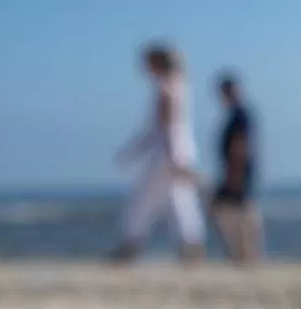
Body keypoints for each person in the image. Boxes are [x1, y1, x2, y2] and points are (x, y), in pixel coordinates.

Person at [111, 42, 206, 263]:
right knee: (179, 201)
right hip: (179, 151)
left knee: (144, 201)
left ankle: (130, 246)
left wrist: (134, 152)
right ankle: (191, 247)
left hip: (167, 154)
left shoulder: (167, 87)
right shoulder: (181, 84)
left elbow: (164, 128)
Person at [208, 72, 264, 264]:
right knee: (237, 210)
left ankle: (246, 253)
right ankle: (243, 252)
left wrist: (235, 173)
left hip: (238, 170)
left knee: (241, 210)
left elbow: (241, 145)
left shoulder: (240, 114)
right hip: (235, 169)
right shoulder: (236, 114)